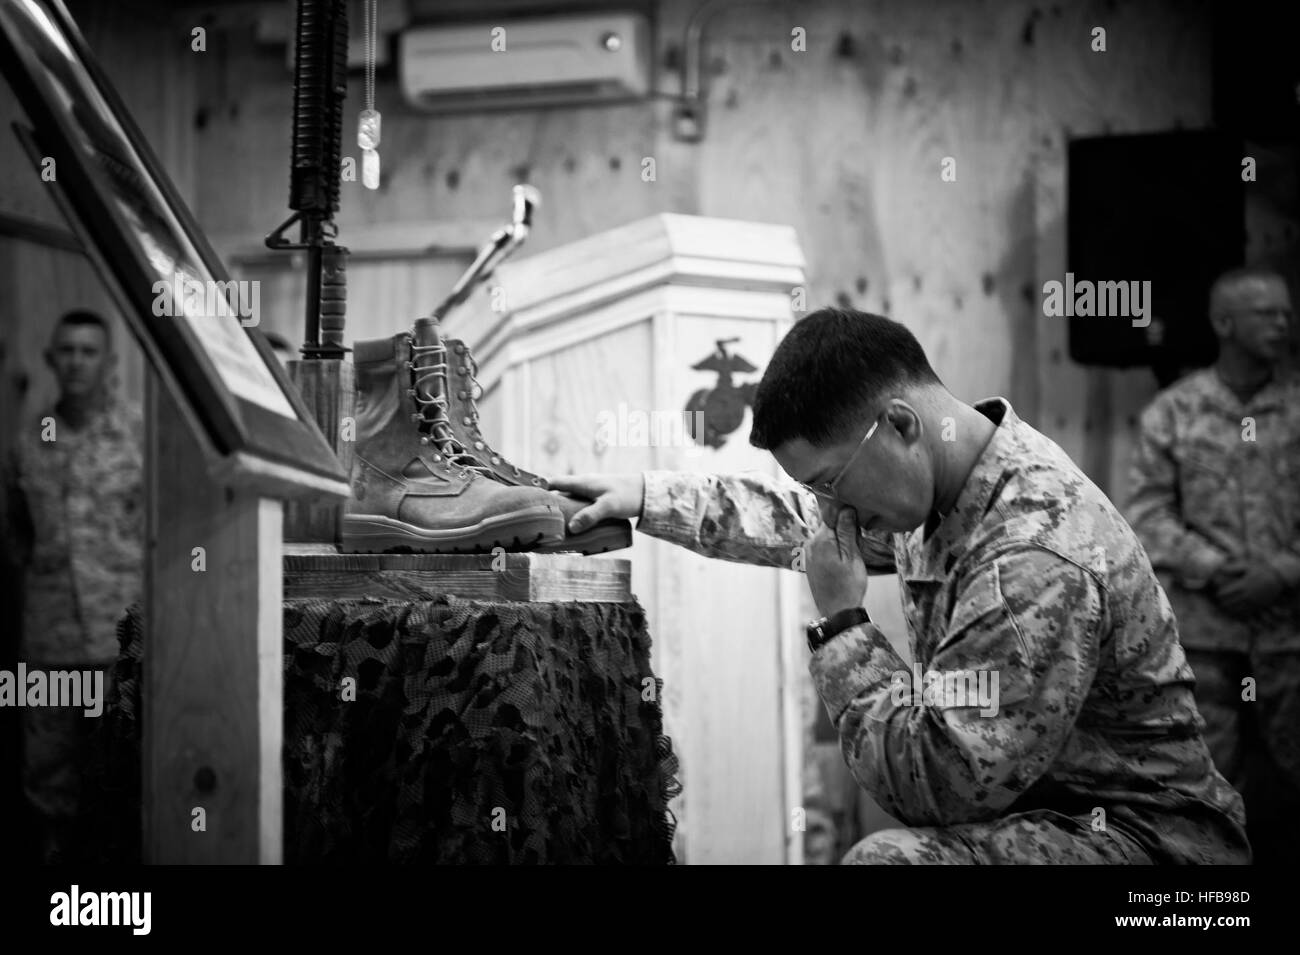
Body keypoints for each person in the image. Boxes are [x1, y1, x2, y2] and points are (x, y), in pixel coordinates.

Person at [553, 306, 1248, 864]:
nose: (831, 511)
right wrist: (645, 496)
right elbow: (797, 522)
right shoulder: (944, 480)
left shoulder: (1033, 557)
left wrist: (843, 626)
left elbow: (936, 784)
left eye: (829, 481)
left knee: (887, 860)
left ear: (900, 423)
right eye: (816, 489)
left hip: (1149, 843)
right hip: (1046, 813)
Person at [1126, 266, 1299, 864]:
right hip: (1206, 640)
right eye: (1266, 313)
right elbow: (1145, 513)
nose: (1282, 323)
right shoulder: (1174, 413)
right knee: (1206, 796)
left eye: (1285, 311)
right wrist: (1216, 568)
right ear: (1225, 323)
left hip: (1289, 637)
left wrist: (1282, 570)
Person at [2, 309, 143, 863]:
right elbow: (15, 535)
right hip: (52, 640)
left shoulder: (138, 438)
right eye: (67, 351)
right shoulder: (30, 443)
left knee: (125, 768)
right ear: (50, 360)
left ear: (108, 362)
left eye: (90, 351)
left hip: (123, 642)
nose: (78, 361)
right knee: (49, 768)